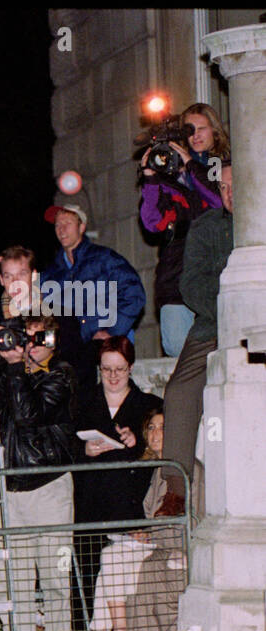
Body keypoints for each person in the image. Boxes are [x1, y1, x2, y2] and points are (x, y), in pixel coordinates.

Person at [0, 310, 78, 631]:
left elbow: (29, 415)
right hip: (7, 491)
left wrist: (16, 367)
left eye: (36, 338)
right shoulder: (5, 371)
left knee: (56, 581)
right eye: (22, 336)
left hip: (48, 488)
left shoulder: (61, 373)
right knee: (10, 583)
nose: (27, 346)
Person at [72, 336, 162, 628]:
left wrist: (137, 443)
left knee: (125, 586)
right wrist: (84, 450)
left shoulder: (149, 405)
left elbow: (160, 449)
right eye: (106, 369)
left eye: (119, 369)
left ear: (131, 368)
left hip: (130, 509)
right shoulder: (82, 402)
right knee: (89, 580)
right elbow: (63, 448)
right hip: (91, 508)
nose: (112, 376)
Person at [162, 161, 234, 519]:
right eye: (223, 188)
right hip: (214, 325)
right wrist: (228, 305)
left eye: (237, 186)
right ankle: (175, 490)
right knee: (178, 393)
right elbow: (191, 284)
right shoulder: (206, 228)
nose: (230, 194)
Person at [138, 103, 230, 357]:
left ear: (215, 131)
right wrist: (150, 178)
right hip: (176, 278)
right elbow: (152, 222)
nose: (196, 135)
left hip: (214, 275)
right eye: (190, 131)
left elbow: (219, 201)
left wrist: (191, 166)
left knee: (219, 353)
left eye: (202, 128)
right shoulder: (171, 177)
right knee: (178, 349)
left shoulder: (223, 166)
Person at [89, 408, 174, 631]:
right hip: (143, 539)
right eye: (152, 428)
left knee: (111, 558)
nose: (156, 434)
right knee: (109, 566)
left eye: (163, 428)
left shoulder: (174, 468)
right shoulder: (147, 466)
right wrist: (137, 530)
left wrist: (148, 532)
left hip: (164, 544)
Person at [39, 202, 146, 391]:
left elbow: (134, 294)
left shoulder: (105, 259)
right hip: (70, 350)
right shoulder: (51, 273)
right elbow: (44, 316)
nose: (61, 229)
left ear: (81, 227)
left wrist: (113, 331)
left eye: (67, 223)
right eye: (57, 224)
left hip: (103, 345)